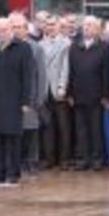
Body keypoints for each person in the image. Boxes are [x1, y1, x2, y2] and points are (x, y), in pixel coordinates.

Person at [0, 18, 34, 185]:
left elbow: (27, 76)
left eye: (4, 29)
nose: (1, 33)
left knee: (13, 139)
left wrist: (26, 101)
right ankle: (0, 173)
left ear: (11, 29)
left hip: (14, 100)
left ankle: (13, 174)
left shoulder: (23, 48)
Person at [67, 16, 109, 171]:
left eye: (91, 25)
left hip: (97, 96)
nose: (87, 28)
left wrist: (106, 95)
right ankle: (82, 159)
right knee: (81, 129)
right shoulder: (74, 47)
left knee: (96, 129)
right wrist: (69, 93)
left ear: (97, 29)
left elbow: (106, 73)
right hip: (78, 95)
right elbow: (71, 72)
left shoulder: (104, 47)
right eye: (85, 25)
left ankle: (97, 159)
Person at [10, 13, 48, 173]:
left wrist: (39, 98)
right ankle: (17, 161)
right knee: (16, 132)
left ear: (26, 29)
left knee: (31, 131)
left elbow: (41, 74)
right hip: (12, 98)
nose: (16, 30)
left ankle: (32, 161)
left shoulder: (35, 47)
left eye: (19, 27)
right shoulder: (8, 46)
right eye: (14, 27)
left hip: (31, 97)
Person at [39, 14, 72, 170]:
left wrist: (62, 87)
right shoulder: (40, 44)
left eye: (53, 24)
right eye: (48, 24)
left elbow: (65, 67)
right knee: (48, 127)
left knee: (63, 127)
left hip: (59, 90)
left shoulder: (66, 44)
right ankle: (49, 159)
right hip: (45, 91)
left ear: (59, 26)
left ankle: (64, 159)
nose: (50, 27)